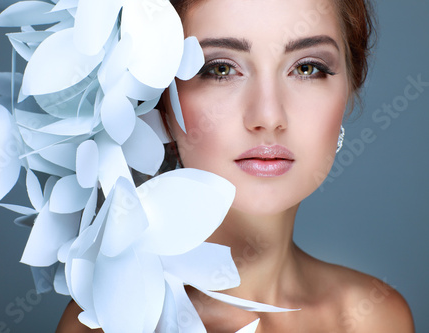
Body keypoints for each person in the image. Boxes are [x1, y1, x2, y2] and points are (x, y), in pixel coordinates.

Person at [57, 0, 414, 331]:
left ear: (350, 89)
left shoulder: (375, 318)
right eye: (222, 69)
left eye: (307, 68)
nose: (269, 116)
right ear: (160, 101)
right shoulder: (105, 323)